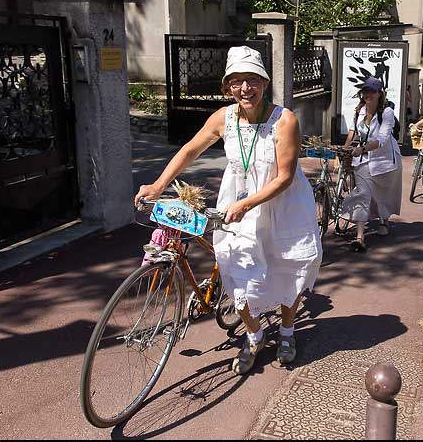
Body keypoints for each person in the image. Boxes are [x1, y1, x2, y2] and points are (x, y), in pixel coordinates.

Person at [134, 46, 322, 375]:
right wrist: (158, 185)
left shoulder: (284, 121)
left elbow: (285, 177)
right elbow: (191, 149)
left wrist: (247, 204)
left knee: (288, 267)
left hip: (282, 205)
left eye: (252, 80)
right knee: (236, 268)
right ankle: (255, 334)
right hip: (238, 203)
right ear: (228, 86)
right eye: (236, 82)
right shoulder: (224, 117)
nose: (245, 88)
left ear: (265, 83)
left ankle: (288, 333)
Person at [340, 76, 403, 252]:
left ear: (379, 93)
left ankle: (384, 221)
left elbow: (382, 139)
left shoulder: (387, 113)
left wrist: (363, 148)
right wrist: (345, 149)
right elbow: (353, 131)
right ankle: (360, 237)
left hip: (384, 160)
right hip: (363, 159)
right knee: (363, 194)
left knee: (382, 194)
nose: (368, 94)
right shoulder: (358, 110)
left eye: (371, 91)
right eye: (365, 91)